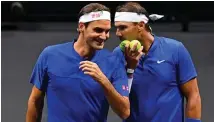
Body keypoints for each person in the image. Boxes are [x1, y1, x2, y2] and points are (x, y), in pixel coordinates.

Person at [26, 3, 130, 122]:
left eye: (107, 31)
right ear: (81, 27)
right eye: (98, 30)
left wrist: (104, 81)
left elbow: (125, 112)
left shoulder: (114, 61)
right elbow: (35, 100)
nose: (104, 36)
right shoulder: (50, 55)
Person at [113, 2, 201, 122]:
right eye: (117, 28)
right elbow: (120, 103)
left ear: (140, 25)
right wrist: (130, 68)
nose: (117, 33)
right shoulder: (118, 55)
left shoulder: (175, 49)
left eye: (123, 27)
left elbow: (193, 95)